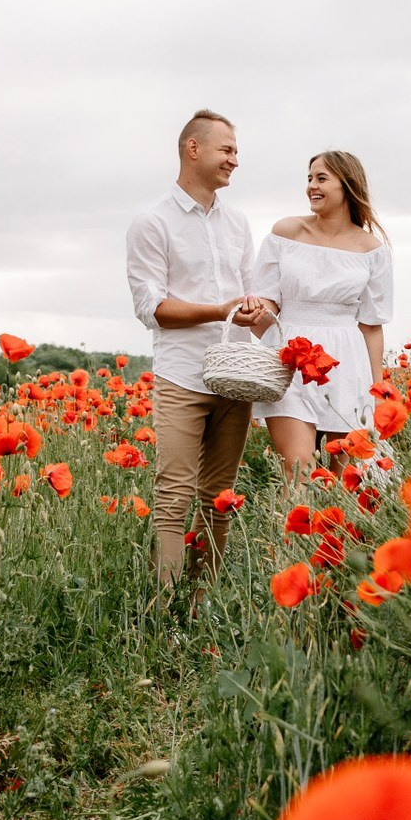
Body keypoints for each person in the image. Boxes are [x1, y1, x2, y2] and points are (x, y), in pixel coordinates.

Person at [123, 110, 271, 588]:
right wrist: (220, 309)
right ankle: (163, 612)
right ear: (194, 149)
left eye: (235, 152)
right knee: (173, 496)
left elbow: (250, 291)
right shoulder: (151, 222)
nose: (234, 160)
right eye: (226, 150)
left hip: (237, 375)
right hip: (183, 374)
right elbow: (152, 307)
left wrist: (253, 310)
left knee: (219, 496)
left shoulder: (239, 224)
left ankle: (201, 605)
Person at [244, 150, 392, 476]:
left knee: (344, 480)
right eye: (309, 178)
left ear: (347, 185)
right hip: (289, 361)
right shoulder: (286, 232)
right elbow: (267, 300)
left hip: (347, 364)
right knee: (298, 468)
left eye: (321, 178)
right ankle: (288, 527)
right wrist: (258, 313)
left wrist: (378, 390)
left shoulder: (372, 250)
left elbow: (371, 325)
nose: (312, 185)